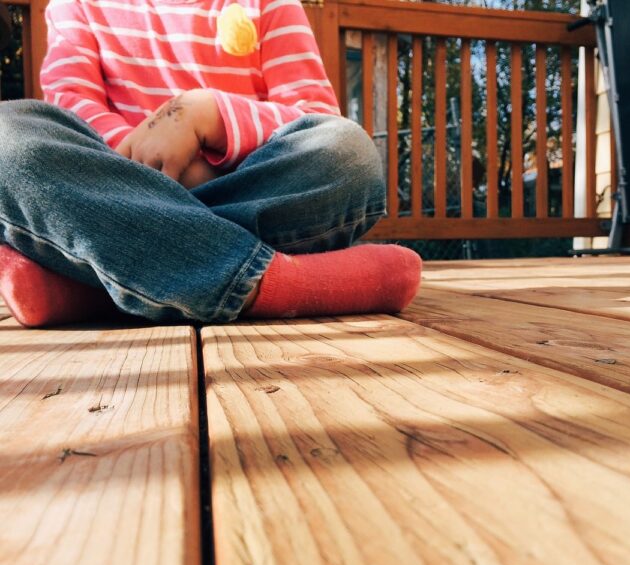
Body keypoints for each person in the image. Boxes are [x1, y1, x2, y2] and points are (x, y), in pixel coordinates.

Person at [0, 0, 421, 327]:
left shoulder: (269, 5)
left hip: (230, 188)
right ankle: (279, 284)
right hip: (119, 182)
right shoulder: (77, 5)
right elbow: (71, 105)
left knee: (346, 152)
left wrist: (205, 113)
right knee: (7, 135)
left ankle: (91, 285)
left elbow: (314, 114)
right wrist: (153, 167)